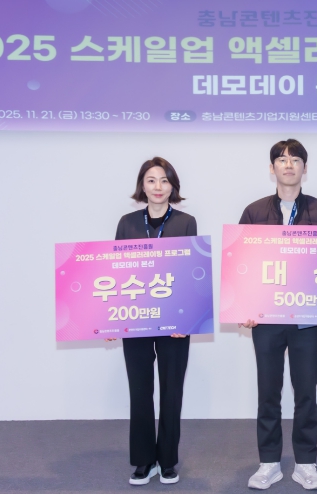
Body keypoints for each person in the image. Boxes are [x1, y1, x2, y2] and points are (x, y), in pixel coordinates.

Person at [239, 139, 317, 490]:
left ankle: (306, 463)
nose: (289, 165)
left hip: (307, 320)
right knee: (268, 391)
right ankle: (269, 462)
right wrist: (244, 307)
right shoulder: (253, 212)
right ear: (272, 168)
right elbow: (243, 266)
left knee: (305, 392)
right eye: (282, 160)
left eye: (296, 160)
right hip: (266, 319)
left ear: (304, 169)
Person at [112, 157, 197, 485]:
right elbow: (116, 273)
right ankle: (143, 460)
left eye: (164, 180)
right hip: (135, 319)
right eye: (151, 180)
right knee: (140, 390)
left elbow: (191, 274)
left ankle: (168, 460)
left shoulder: (186, 222)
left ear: (173, 186)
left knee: (172, 392)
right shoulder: (127, 223)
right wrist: (110, 320)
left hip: (175, 323)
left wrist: (186, 320)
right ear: (142, 186)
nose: (158, 187)